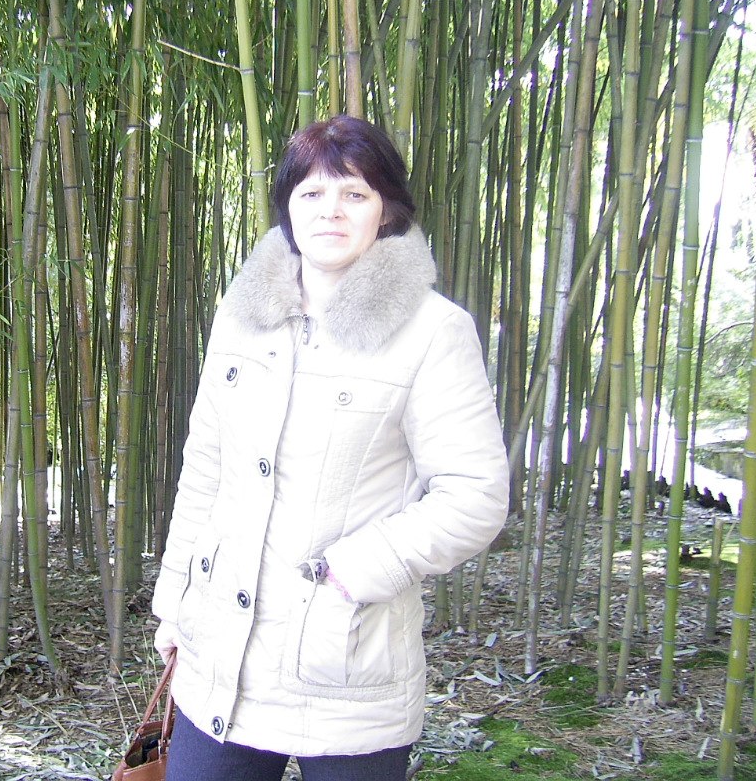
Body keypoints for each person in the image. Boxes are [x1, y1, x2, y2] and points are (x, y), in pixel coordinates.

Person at [151, 115, 510, 781]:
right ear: (288, 207)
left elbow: (476, 494)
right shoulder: (240, 317)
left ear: (386, 210)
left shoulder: (433, 332)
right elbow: (205, 469)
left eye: (355, 193)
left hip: (347, 662)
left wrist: (357, 570)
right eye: (312, 193)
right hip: (220, 658)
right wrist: (175, 601)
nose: (331, 211)